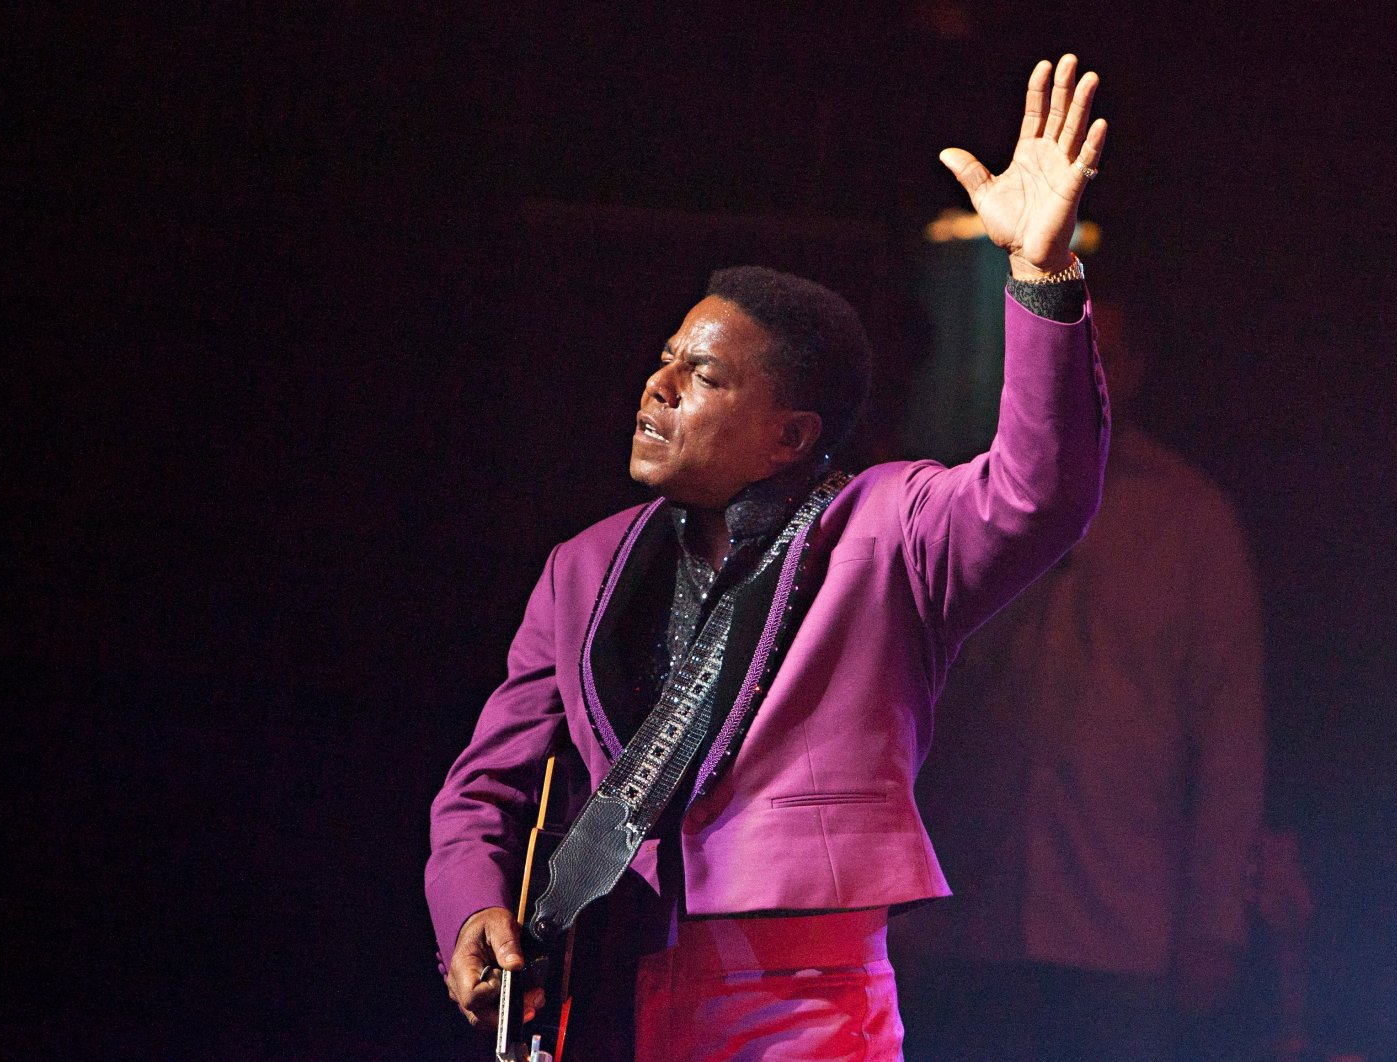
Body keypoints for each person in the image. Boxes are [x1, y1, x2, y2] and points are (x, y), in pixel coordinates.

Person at [426, 55, 1111, 1061]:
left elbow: (1038, 491)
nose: (656, 387)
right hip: (603, 981)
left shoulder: (888, 530)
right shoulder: (584, 566)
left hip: (802, 1000)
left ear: (790, 436)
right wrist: (469, 904)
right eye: (663, 360)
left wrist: (1042, 279)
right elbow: (486, 787)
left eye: (699, 375)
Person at [893, 300, 1266, 1062]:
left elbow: (1230, 733)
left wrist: (1212, 922)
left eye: (1104, 350)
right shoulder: (964, 492)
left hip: (1119, 914)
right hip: (967, 906)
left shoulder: (1189, 516)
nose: (1083, 365)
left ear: (1135, 369)